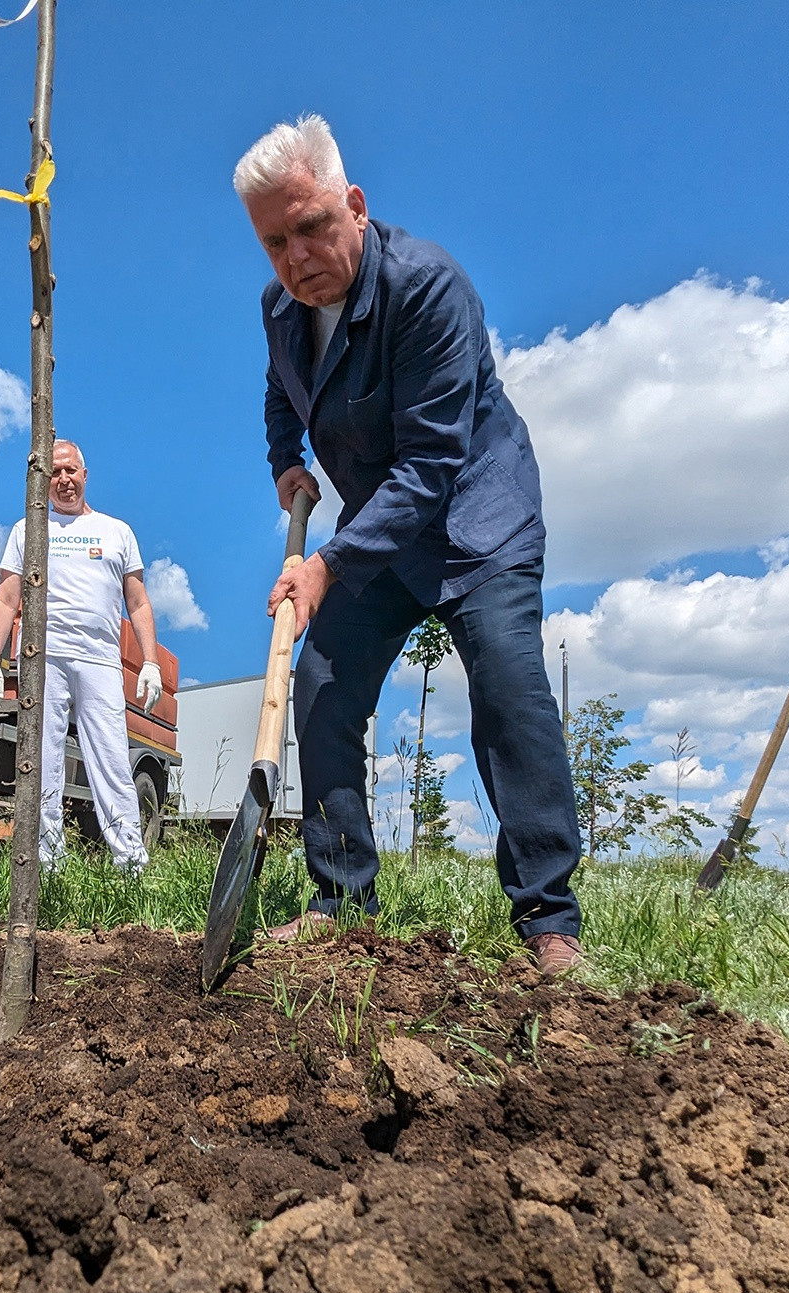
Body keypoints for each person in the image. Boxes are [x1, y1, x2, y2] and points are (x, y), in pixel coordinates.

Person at [231, 115, 584, 974]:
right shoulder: (282, 307)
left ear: (353, 205)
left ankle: (548, 920)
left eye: (312, 227)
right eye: (276, 241)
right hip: (385, 537)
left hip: (475, 518)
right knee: (321, 683)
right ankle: (342, 899)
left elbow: (431, 465)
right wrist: (288, 464)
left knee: (505, 685)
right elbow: (282, 393)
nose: (297, 256)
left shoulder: (429, 289)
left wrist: (326, 563)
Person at [0, 439, 164, 872]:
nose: (63, 479)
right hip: (43, 657)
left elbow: (137, 602)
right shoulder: (28, 530)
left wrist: (150, 662)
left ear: (85, 475)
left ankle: (131, 865)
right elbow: (7, 598)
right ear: (43, 481)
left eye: (70, 471)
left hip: (99, 659)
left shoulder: (116, 532)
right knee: (41, 761)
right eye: (54, 472)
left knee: (113, 761)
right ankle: (49, 864)